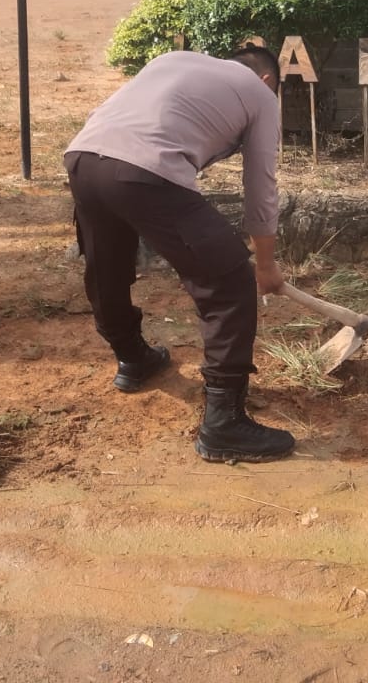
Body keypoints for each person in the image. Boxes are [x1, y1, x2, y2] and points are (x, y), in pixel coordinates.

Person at [64, 45, 294, 463]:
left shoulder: (171, 60)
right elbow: (261, 186)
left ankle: (133, 359)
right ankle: (224, 422)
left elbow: (120, 115)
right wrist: (264, 264)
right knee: (228, 280)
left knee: (107, 266)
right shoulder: (261, 94)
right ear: (266, 80)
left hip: (83, 159)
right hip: (144, 171)